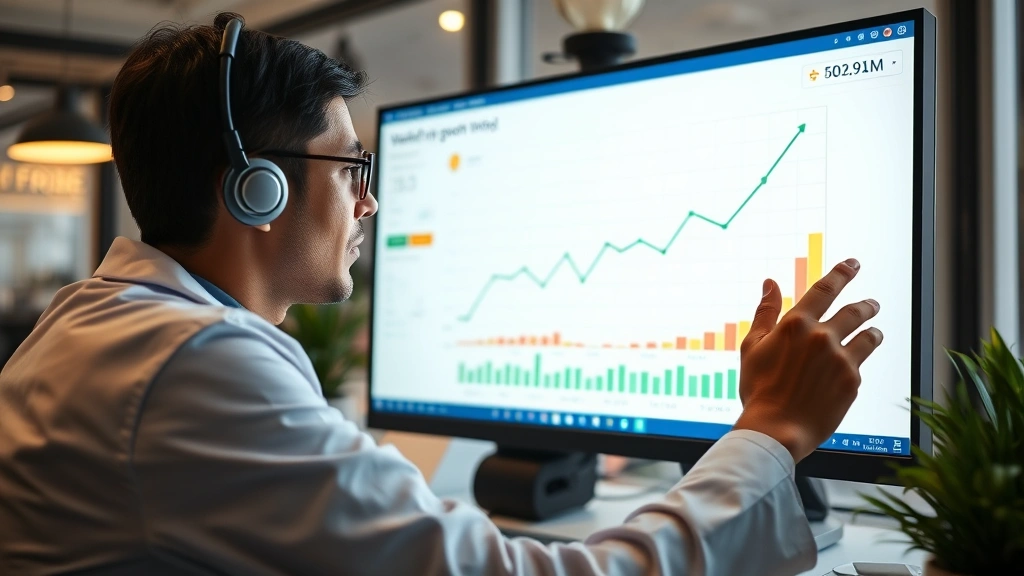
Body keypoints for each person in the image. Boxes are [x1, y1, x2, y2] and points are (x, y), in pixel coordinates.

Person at [0, 13, 883, 576]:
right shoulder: (196, 365)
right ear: (255, 189)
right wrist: (771, 431)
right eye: (352, 168)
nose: (370, 203)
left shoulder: (94, 323)